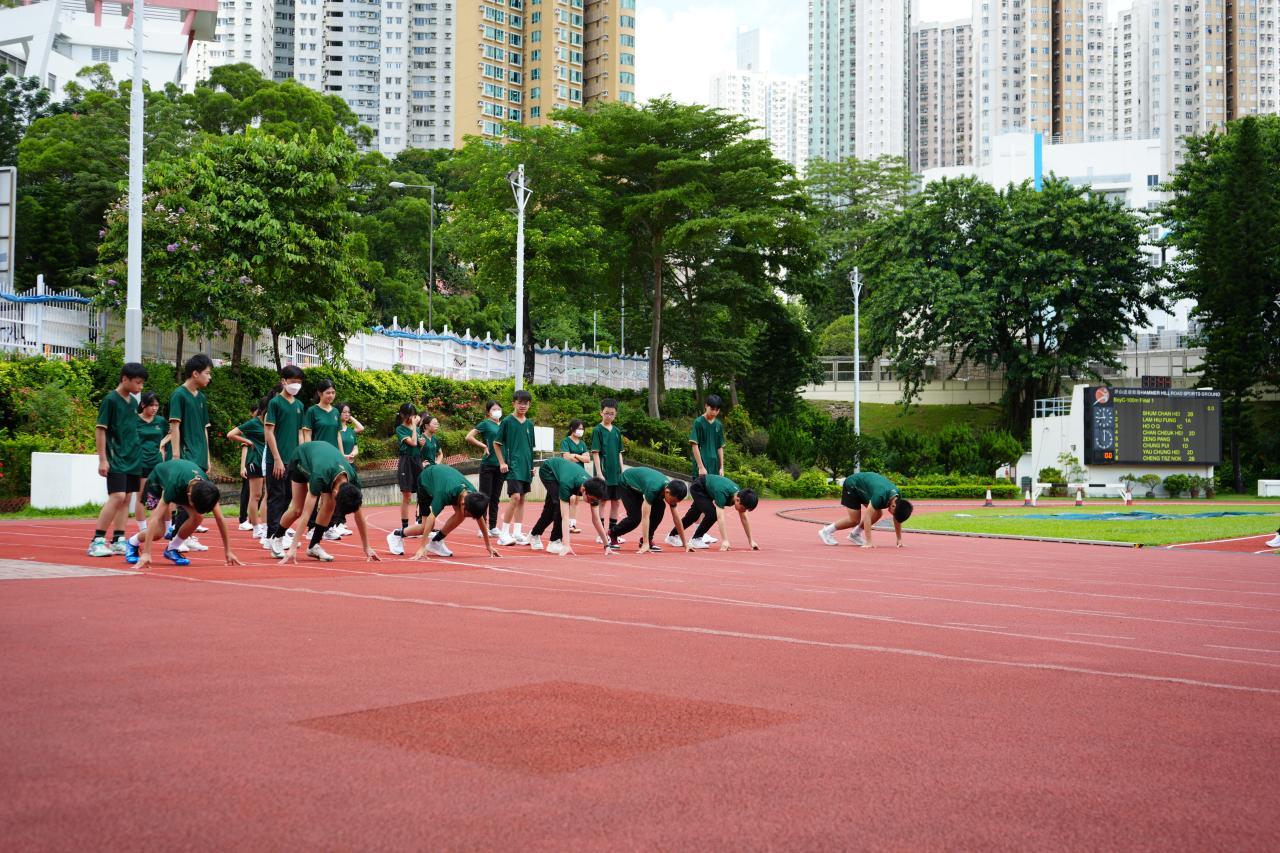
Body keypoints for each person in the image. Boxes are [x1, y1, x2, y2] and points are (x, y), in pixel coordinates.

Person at [276, 441, 381, 563]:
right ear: (335, 492)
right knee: (297, 509)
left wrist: (367, 547)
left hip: (325, 462)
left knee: (330, 504)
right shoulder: (319, 476)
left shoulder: (353, 480)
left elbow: (359, 515)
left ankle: (313, 546)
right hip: (301, 458)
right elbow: (306, 514)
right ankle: (276, 538)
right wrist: (293, 547)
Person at [127, 458, 242, 569]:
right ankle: (132, 542)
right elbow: (154, 519)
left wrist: (228, 551)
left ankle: (172, 548)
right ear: (189, 497)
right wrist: (146, 552)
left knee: (198, 517)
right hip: (156, 483)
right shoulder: (174, 485)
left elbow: (220, 519)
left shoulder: (207, 489)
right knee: (158, 532)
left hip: (184, 481)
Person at [89, 362, 148, 557]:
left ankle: (118, 539)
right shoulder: (111, 400)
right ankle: (97, 540)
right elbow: (101, 430)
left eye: (142, 383)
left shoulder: (133, 402)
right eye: (137, 383)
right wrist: (102, 459)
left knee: (127, 498)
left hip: (133, 457)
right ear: (124, 379)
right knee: (118, 496)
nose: (140, 387)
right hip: (116, 457)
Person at [387, 464, 501, 560]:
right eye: (468, 514)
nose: (467, 517)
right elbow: (431, 517)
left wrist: (488, 545)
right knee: (424, 527)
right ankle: (396, 535)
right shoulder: (443, 493)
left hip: (444, 479)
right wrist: (422, 547)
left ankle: (436, 541)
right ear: (463, 504)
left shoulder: (473, 496)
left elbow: (480, 518)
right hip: (426, 482)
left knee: (460, 515)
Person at [167, 353, 213, 552]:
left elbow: (204, 429)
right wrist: (176, 456)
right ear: (195, 373)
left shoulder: (201, 397)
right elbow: (175, 426)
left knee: (196, 500)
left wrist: (207, 457)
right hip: (186, 454)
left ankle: (187, 535)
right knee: (187, 498)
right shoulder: (179, 395)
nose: (209, 377)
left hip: (199, 454)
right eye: (207, 373)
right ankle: (178, 538)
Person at [528, 456, 610, 555]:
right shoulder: (567, 484)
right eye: (591, 499)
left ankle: (534, 534)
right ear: (584, 490)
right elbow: (565, 517)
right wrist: (566, 544)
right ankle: (554, 541)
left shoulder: (594, 490)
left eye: (595, 500)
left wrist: (607, 545)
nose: (592, 502)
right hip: (548, 470)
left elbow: (596, 519)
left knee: (549, 509)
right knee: (558, 506)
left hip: (563, 473)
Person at [263, 366, 306, 554]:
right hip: (277, 460)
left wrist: (302, 456)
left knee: (289, 497)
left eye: (299, 382)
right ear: (283, 381)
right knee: (276, 497)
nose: (296, 385)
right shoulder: (275, 403)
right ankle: (272, 536)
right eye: (293, 381)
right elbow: (269, 432)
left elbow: (300, 433)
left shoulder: (299, 406)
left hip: (293, 460)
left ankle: (280, 533)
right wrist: (277, 459)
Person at [818, 471, 914, 549]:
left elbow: (897, 519)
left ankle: (855, 534)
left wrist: (899, 539)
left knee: (878, 513)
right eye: (894, 514)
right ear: (893, 506)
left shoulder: (898, 497)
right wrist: (869, 541)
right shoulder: (880, 495)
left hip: (865, 489)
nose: (893, 516)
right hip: (853, 485)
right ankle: (826, 531)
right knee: (854, 520)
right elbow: (867, 516)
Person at [665, 475, 760, 552]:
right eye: (743, 508)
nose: (743, 511)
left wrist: (751, 541)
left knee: (693, 515)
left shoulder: (741, 496)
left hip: (708, 491)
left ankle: (672, 536)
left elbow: (744, 519)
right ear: (737, 500)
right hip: (698, 487)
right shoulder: (722, 493)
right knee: (712, 514)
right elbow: (720, 517)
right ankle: (696, 539)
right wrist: (725, 540)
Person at [610, 466, 691, 554]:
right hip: (627, 484)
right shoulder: (653, 489)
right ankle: (613, 533)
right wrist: (646, 544)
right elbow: (645, 517)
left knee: (660, 507)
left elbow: (677, 519)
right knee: (635, 518)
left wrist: (685, 544)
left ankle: (647, 539)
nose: (673, 503)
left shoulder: (671, 490)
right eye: (673, 501)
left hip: (642, 486)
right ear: (667, 492)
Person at [493, 389, 535, 546]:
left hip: (526, 466)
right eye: (519, 403)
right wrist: (502, 462)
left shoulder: (529, 424)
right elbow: (496, 443)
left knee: (522, 498)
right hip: (513, 466)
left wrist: (531, 466)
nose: (522, 406)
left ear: (529, 405)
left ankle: (517, 532)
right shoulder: (507, 421)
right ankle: (504, 534)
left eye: (525, 403)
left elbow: (530, 448)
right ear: (514, 404)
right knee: (515, 497)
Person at [227, 397, 268, 539]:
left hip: (266, 461)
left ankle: (266, 525)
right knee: (255, 495)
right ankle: (256, 527)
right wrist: (248, 441)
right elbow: (231, 434)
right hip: (255, 461)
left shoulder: (271, 423)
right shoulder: (253, 423)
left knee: (266, 494)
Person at [688, 394, 726, 543]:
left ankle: (700, 532)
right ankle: (695, 532)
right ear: (706, 406)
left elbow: (720, 447)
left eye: (717, 410)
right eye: (712, 409)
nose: (714, 412)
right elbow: (694, 445)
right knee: (700, 502)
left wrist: (721, 467)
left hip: (714, 467)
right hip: (702, 467)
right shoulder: (698, 422)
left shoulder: (718, 425)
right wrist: (700, 466)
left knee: (707, 501)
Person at [134, 391, 169, 543]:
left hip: (158, 463)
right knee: (142, 497)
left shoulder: (161, 421)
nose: (154, 408)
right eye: (151, 405)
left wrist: (162, 443)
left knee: (164, 496)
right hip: (140, 463)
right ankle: (143, 529)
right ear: (143, 405)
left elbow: (173, 432)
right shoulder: (134, 420)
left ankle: (168, 529)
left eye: (157, 405)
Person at [465, 399, 504, 536]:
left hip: (501, 465)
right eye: (494, 409)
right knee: (484, 496)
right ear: (488, 412)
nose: (497, 411)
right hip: (488, 464)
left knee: (495, 497)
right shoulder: (485, 424)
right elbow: (469, 437)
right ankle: (482, 527)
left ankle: (493, 527)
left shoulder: (504, 424)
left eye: (498, 409)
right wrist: (483, 446)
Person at [590, 397, 625, 544]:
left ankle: (612, 533)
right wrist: (599, 473)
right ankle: (602, 534)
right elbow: (595, 453)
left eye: (612, 414)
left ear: (615, 414)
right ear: (601, 413)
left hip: (616, 473)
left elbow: (619, 453)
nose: (609, 416)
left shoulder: (617, 431)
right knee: (603, 502)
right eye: (606, 413)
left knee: (616, 502)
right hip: (604, 472)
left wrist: (622, 471)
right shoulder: (597, 430)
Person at [330, 402, 363, 539]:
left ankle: (341, 521)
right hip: (339, 465)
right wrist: (343, 456)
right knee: (339, 493)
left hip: (350, 464)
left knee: (351, 492)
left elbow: (358, 435)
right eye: (344, 412)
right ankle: (336, 522)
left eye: (349, 412)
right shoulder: (335, 430)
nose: (347, 414)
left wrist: (353, 454)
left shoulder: (350, 431)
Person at [393, 403, 424, 539]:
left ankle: (421, 523)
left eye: (414, 415)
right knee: (407, 495)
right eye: (410, 415)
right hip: (406, 462)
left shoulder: (415, 428)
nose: (413, 418)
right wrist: (415, 428)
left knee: (423, 492)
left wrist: (422, 444)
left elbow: (418, 446)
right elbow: (413, 443)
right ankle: (405, 527)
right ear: (403, 415)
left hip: (417, 461)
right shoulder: (400, 429)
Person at [559, 419, 591, 534]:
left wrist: (575, 455)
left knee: (576, 499)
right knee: (570, 498)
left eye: (582, 429)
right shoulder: (566, 441)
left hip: (580, 474)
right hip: (568, 473)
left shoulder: (582, 444)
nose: (581, 430)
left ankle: (572, 524)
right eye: (578, 428)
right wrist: (580, 457)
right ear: (572, 429)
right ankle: (564, 522)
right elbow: (566, 457)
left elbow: (587, 459)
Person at [301, 379, 341, 447]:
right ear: (319, 393)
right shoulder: (312, 411)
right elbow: (307, 435)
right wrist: (309, 452)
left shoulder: (336, 412)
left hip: (334, 451)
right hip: (318, 450)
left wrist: (341, 452)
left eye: (333, 393)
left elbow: (338, 435)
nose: (331, 395)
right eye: (328, 393)